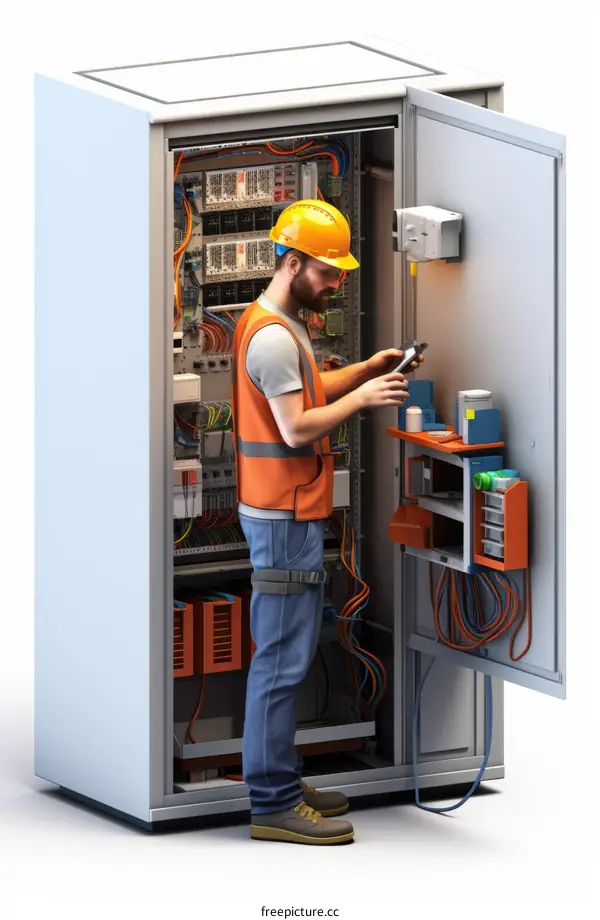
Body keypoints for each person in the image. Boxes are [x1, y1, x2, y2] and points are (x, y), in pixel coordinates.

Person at [230, 200, 422, 845]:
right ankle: (273, 803)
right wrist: (365, 401)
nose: (338, 283)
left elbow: (305, 391)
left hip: (290, 510)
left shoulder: (275, 323)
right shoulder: (276, 338)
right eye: (329, 271)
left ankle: (280, 777)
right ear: (292, 262)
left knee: (288, 657)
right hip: (283, 516)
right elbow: (295, 425)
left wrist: (366, 371)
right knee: (282, 665)